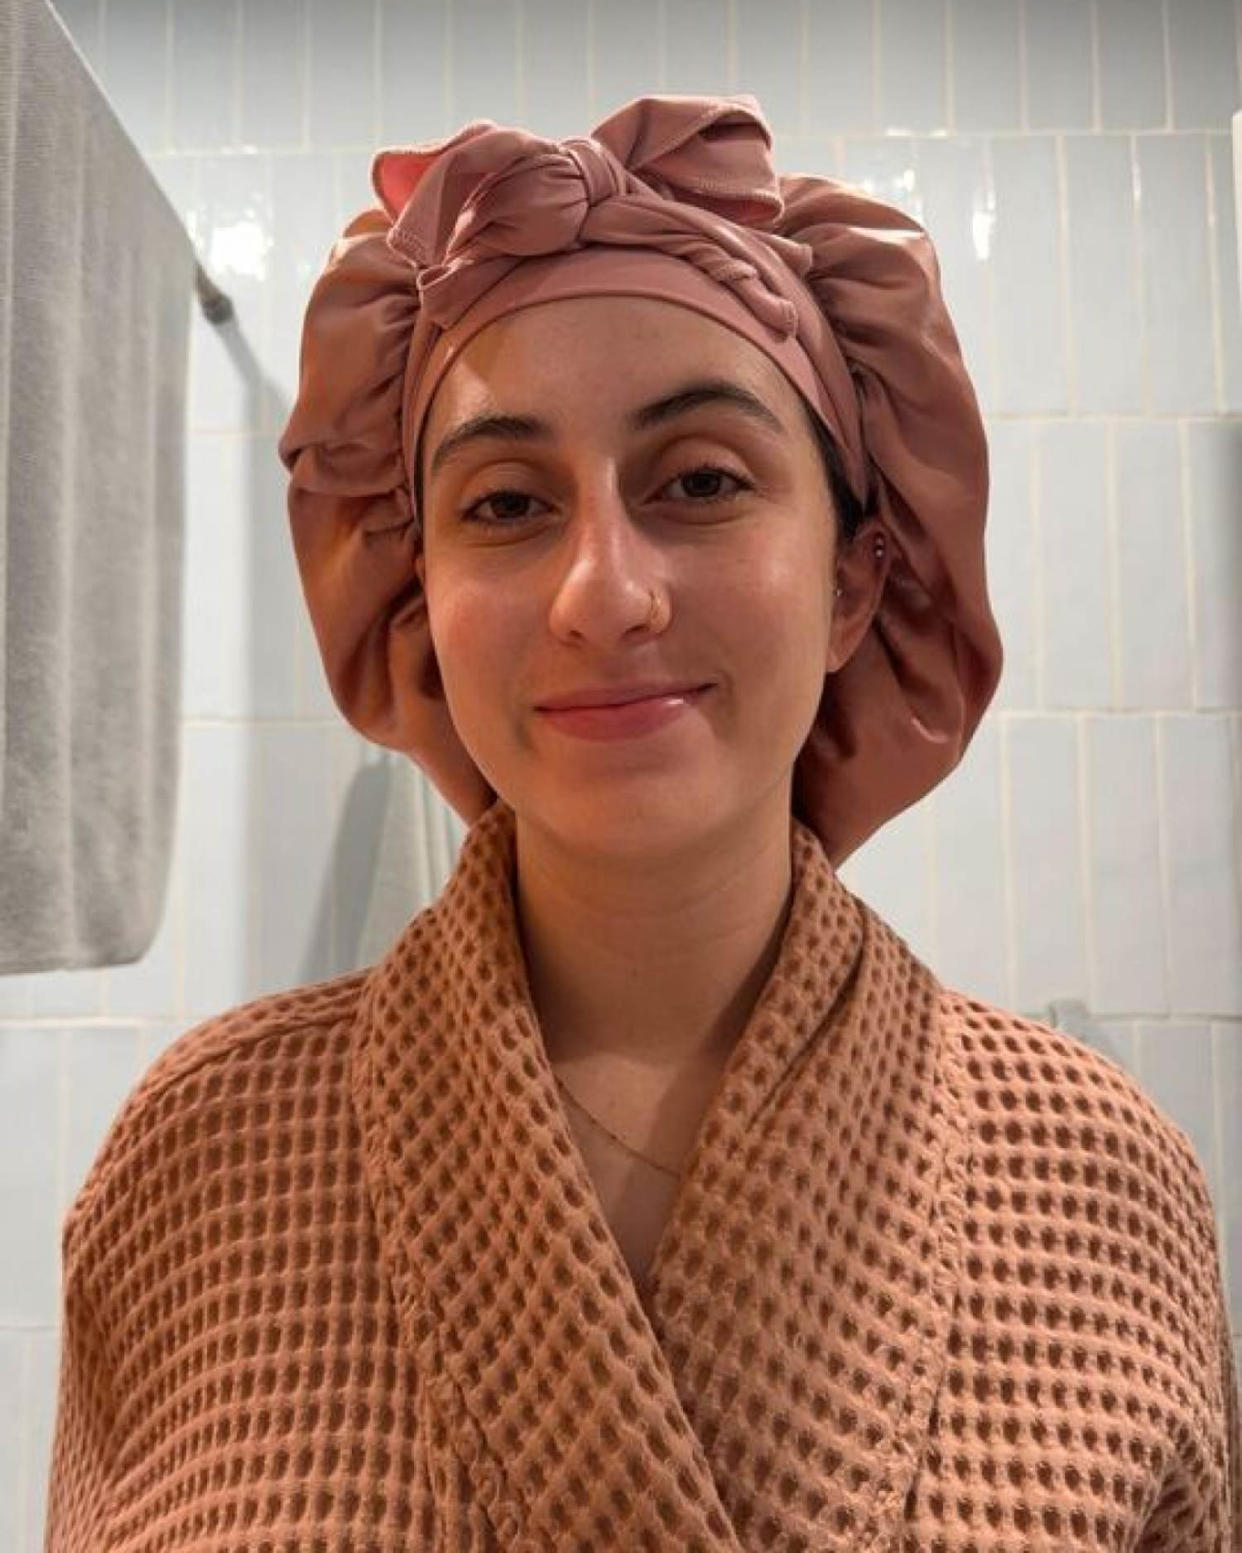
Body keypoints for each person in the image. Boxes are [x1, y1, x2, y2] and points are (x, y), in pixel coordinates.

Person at [45, 94, 1238, 1550]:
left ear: (857, 580)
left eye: (700, 482)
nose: (602, 591)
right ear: (419, 593)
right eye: (503, 503)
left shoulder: (1104, 1176)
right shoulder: (195, 1161)